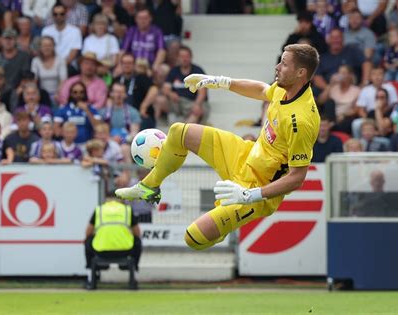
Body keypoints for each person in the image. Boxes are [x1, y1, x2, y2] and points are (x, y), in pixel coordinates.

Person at [115, 44, 321, 250]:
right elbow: (263, 90)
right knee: (179, 131)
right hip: (245, 154)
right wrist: (220, 81)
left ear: (301, 72)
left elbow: (297, 178)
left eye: (284, 64)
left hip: (255, 186)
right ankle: (148, 186)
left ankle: (225, 223)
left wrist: (249, 195)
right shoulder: (287, 89)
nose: (277, 67)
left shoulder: (301, 121)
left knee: (193, 238)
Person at [84, 191, 142, 284]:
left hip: (101, 251)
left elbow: (88, 232)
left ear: (106, 199)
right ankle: (134, 272)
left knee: (88, 240)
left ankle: (90, 276)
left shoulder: (100, 210)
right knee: (137, 241)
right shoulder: (127, 210)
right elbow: (137, 233)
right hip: (125, 251)